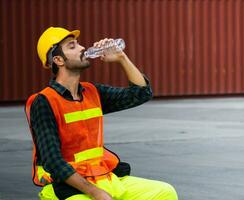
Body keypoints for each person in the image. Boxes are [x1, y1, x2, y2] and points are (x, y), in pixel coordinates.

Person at [25, 27, 178, 200]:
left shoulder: (92, 92)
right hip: (66, 186)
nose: (82, 48)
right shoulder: (44, 102)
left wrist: (121, 57)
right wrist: (95, 193)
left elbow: (141, 94)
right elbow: (53, 162)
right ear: (59, 59)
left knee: (165, 192)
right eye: (73, 46)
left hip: (101, 177)